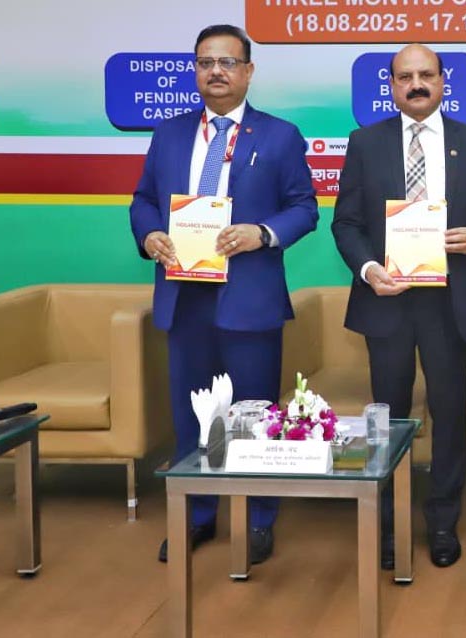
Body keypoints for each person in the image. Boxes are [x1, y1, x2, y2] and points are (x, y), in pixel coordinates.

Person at [130, 24, 319, 565]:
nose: (216, 71)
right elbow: (143, 200)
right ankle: (198, 514)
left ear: (248, 71)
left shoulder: (279, 135)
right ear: (195, 70)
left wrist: (263, 233)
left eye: (228, 62)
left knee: (253, 414)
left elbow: (304, 208)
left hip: (249, 297)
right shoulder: (169, 133)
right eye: (206, 62)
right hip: (184, 295)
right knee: (192, 416)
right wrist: (150, 233)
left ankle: (259, 518)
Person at [331, 43, 466, 568]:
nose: (416, 84)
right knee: (386, 417)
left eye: (426, 75)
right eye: (405, 76)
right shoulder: (364, 143)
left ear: (442, 82)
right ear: (391, 85)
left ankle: (442, 521)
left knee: (450, 413)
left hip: (449, 301)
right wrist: (369, 269)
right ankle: (388, 522)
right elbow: (346, 223)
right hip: (386, 299)